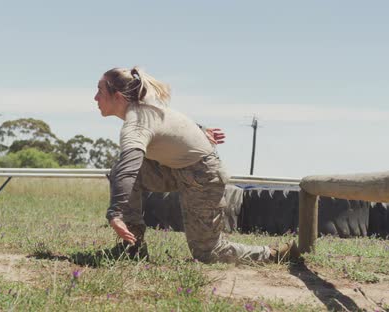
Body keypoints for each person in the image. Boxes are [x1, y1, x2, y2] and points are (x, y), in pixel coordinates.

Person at [94, 66, 299, 264]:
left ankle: (274, 254)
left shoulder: (137, 122)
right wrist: (200, 129)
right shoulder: (145, 106)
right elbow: (171, 125)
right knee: (119, 170)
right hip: (176, 169)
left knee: (208, 252)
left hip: (203, 175)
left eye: (100, 90)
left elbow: (130, 167)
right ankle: (132, 248)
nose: (95, 97)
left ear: (118, 97)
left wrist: (115, 213)